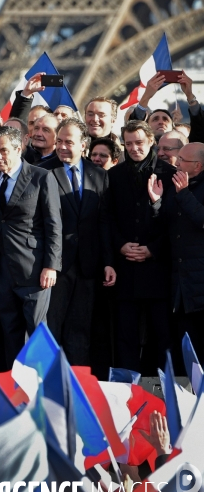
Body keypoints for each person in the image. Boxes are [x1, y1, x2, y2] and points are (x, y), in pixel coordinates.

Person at [0, 126, 62, 369]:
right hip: (1, 270)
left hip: (34, 270)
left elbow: (53, 223)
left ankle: (44, 386)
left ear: (19, 149)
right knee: (9, 333)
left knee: (38, 334)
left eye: (4, 151)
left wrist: (51, 265)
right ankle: (13, 387)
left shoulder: (41, 176)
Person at [40, 118, 115, 365]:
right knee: (51, 331)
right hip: (55, 267)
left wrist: (107, 261)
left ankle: (77, 389)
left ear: (84, 145)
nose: (62, 146)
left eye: (68, 142)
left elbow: (104, 223)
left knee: (80, 333)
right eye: (59, 141)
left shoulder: (99, 175)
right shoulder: (43, 171)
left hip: (88, 266)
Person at [105, 120, 176, 373]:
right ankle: (126, 392)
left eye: (139, 143)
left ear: (151, 142)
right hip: (125, 269)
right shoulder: (113, 176)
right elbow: (107, 218)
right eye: (129, 143)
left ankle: (165, 393)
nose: (134, 148)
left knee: (163, 335)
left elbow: (176, 223)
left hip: (158, 269)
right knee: (125, 336)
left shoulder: (169, 174)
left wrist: (152, 250)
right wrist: (121, 246)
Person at [148, 142, 204, 364]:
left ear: (198, 165)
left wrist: (184, 194)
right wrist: (157, 202)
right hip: (180, 283)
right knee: (185, 349)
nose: (176, 163)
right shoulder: (177, 184)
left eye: (182, 160)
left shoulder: (183, 188)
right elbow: (167, 225)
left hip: (200, 282)